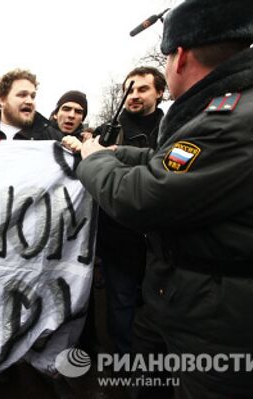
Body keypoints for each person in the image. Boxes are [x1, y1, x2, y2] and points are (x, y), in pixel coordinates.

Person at [68, 0, 253, 396]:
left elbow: (141, 197)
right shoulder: (241, 105)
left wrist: (92, 159)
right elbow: (174, 165)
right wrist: (121, 154)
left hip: (218, 323)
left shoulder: (231, 121)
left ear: (179, 58)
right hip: (195, 302)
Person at [94, 66, 166, 355]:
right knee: (121, 302)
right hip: (119, 237)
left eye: (142, 89)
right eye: (130, 90)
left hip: (164, 241)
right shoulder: (108, 132)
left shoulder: (177, 127)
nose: (134, 96)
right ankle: (127, 364)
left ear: (159, 92)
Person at [0, 68, 63, 141]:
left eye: (32, 96)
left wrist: (76, 152)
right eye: (22, 95)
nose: (29, 101)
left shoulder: (53, 138)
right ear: (2, 100)